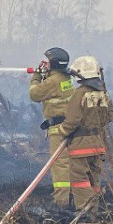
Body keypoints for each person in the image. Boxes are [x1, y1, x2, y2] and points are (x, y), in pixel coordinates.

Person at [58, 55, 113, 210]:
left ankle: (85, 208)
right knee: (94, 177)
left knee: (79, 177)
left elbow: (73, 119)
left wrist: (62, 131)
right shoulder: (104, 94)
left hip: (81, 145)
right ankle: (94, 210)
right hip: (98, 143)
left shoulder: (80, 93)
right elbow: (109, 116)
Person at [28, 46, 76, 208]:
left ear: (54, 63)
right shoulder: (65, 78)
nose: (46, 64)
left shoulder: (53, 81)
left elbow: (34, 94)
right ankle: (74, 198)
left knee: (60, 165)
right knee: (70, 164)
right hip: (69, 126)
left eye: (48, 62)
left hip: (58, 129)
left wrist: (37, 76)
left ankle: (61, 202)